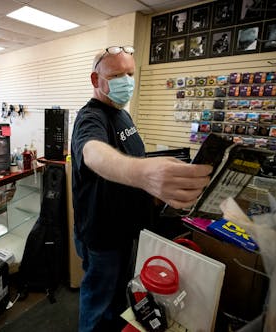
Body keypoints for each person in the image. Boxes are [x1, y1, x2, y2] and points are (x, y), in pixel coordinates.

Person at [70, 46, 212, 331]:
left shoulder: (122, 114)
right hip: (102, 235)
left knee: (116, 302)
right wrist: (144, 173)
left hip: (126, 230)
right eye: (117, 74)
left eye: (130, 74)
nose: (126, 81)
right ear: (95, 80)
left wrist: (156, 192)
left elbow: (130, 158)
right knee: (98, 304)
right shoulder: (90, 117)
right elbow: (94, 153)